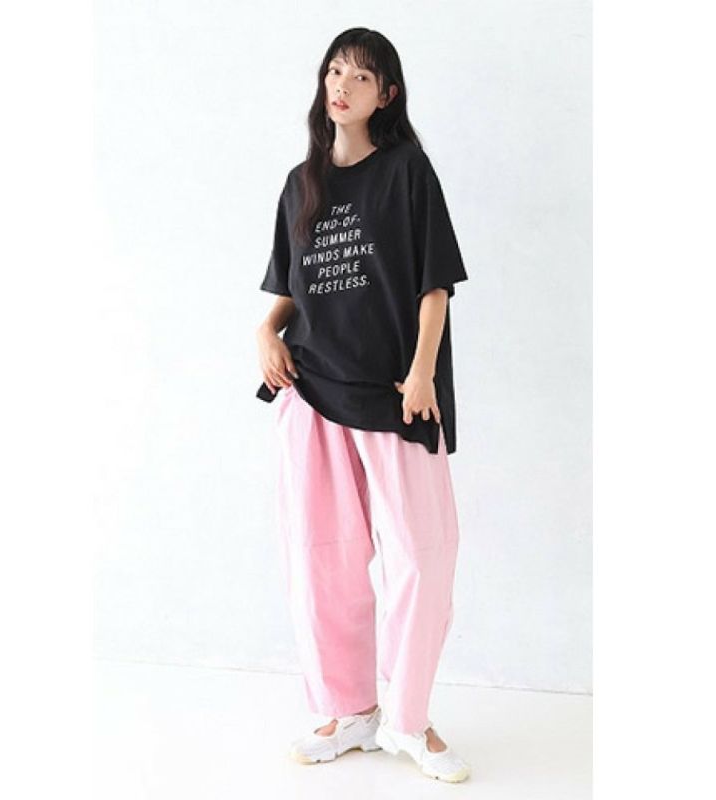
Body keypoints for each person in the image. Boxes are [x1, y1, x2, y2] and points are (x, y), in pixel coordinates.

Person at [255, 28, 471, 783]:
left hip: (394, 394)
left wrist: (422, 374)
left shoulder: (406, 170)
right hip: (311, 388)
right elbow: (292, 286)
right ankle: (350, 710)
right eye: (335, 71)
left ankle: (408, 718)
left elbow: (434, 284)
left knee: (422, 556)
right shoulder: (300, 183)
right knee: (323, 556)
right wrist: (265, 331)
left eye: (362, 76)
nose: (342, 85)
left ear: (388, 94)